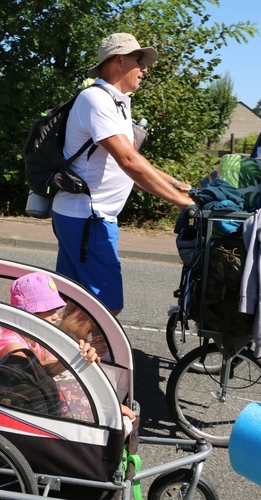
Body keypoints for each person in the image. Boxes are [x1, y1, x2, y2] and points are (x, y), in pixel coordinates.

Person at [52, 33, 194, 315]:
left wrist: (177, 185)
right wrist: (183, 204)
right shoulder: (96, 99)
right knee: (106, 308)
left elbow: (134, 161)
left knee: (74, 303)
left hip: (83, 217)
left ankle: (62, 357)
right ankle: (83, 357)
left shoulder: (117, 102)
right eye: (139, 61)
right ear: (119, 61)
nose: (145, 69)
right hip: (89, 218)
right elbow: (128, 160)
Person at [0, 272, 136, 424]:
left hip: (27, 402)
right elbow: (38, 377)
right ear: (29, 312)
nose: (56, 316)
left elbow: (46, 369)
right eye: (49, 310)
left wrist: (79, 356)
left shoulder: (34, 338)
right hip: (12, 409)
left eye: (56, 309)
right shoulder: (13, 345)